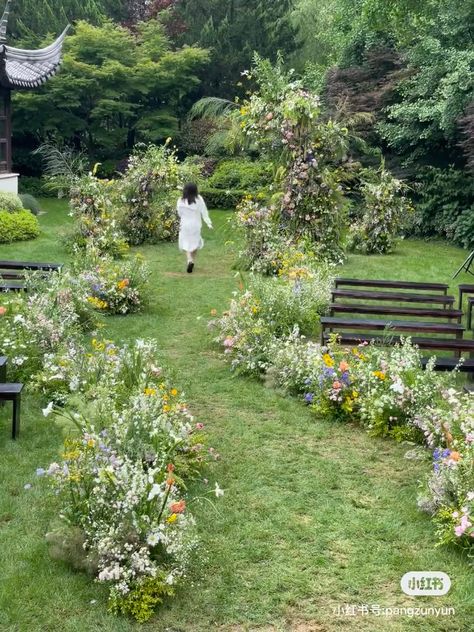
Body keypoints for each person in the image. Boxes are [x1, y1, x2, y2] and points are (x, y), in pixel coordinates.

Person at [177, 183, 213, 273]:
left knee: (186, 242)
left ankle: (189, 260)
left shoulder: (180, 201)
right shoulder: (199, 199)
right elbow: (204, 212)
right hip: (195, 224)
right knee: (195, 242)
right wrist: (208, 223)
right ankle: (192, 260)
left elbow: (179, 213)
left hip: (185, 224)